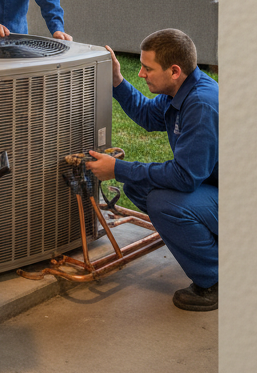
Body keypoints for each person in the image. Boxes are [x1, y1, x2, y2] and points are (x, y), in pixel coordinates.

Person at [86, 29, 219, 312]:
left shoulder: (201, 104)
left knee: (163, 202)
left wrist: (118, 168)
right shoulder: (180, 91)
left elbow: (185, 177)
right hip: (213, 186)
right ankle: (206, 245)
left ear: (174, 70)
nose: (142, 74)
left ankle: (215, 279)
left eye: (148, 68)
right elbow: (148, 115)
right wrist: (117, 81)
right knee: (138, 185)